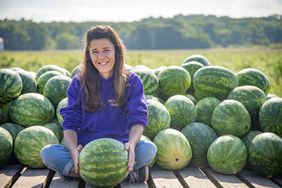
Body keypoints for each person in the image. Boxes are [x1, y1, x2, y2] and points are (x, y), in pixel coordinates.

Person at [41, 25, 157, 183]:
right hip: (86, 150)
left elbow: (138, 117)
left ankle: (77, 173)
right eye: (95, 51)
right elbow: (70, 122)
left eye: (106, 50)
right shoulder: (78, 82)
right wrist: (74, 150)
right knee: (48, 153)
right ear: (89, 55)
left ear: (116, 50)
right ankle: (128, 174)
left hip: (120, 149)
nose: (101, 57)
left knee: (149, 149)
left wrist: (131, 143)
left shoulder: (131, 81)